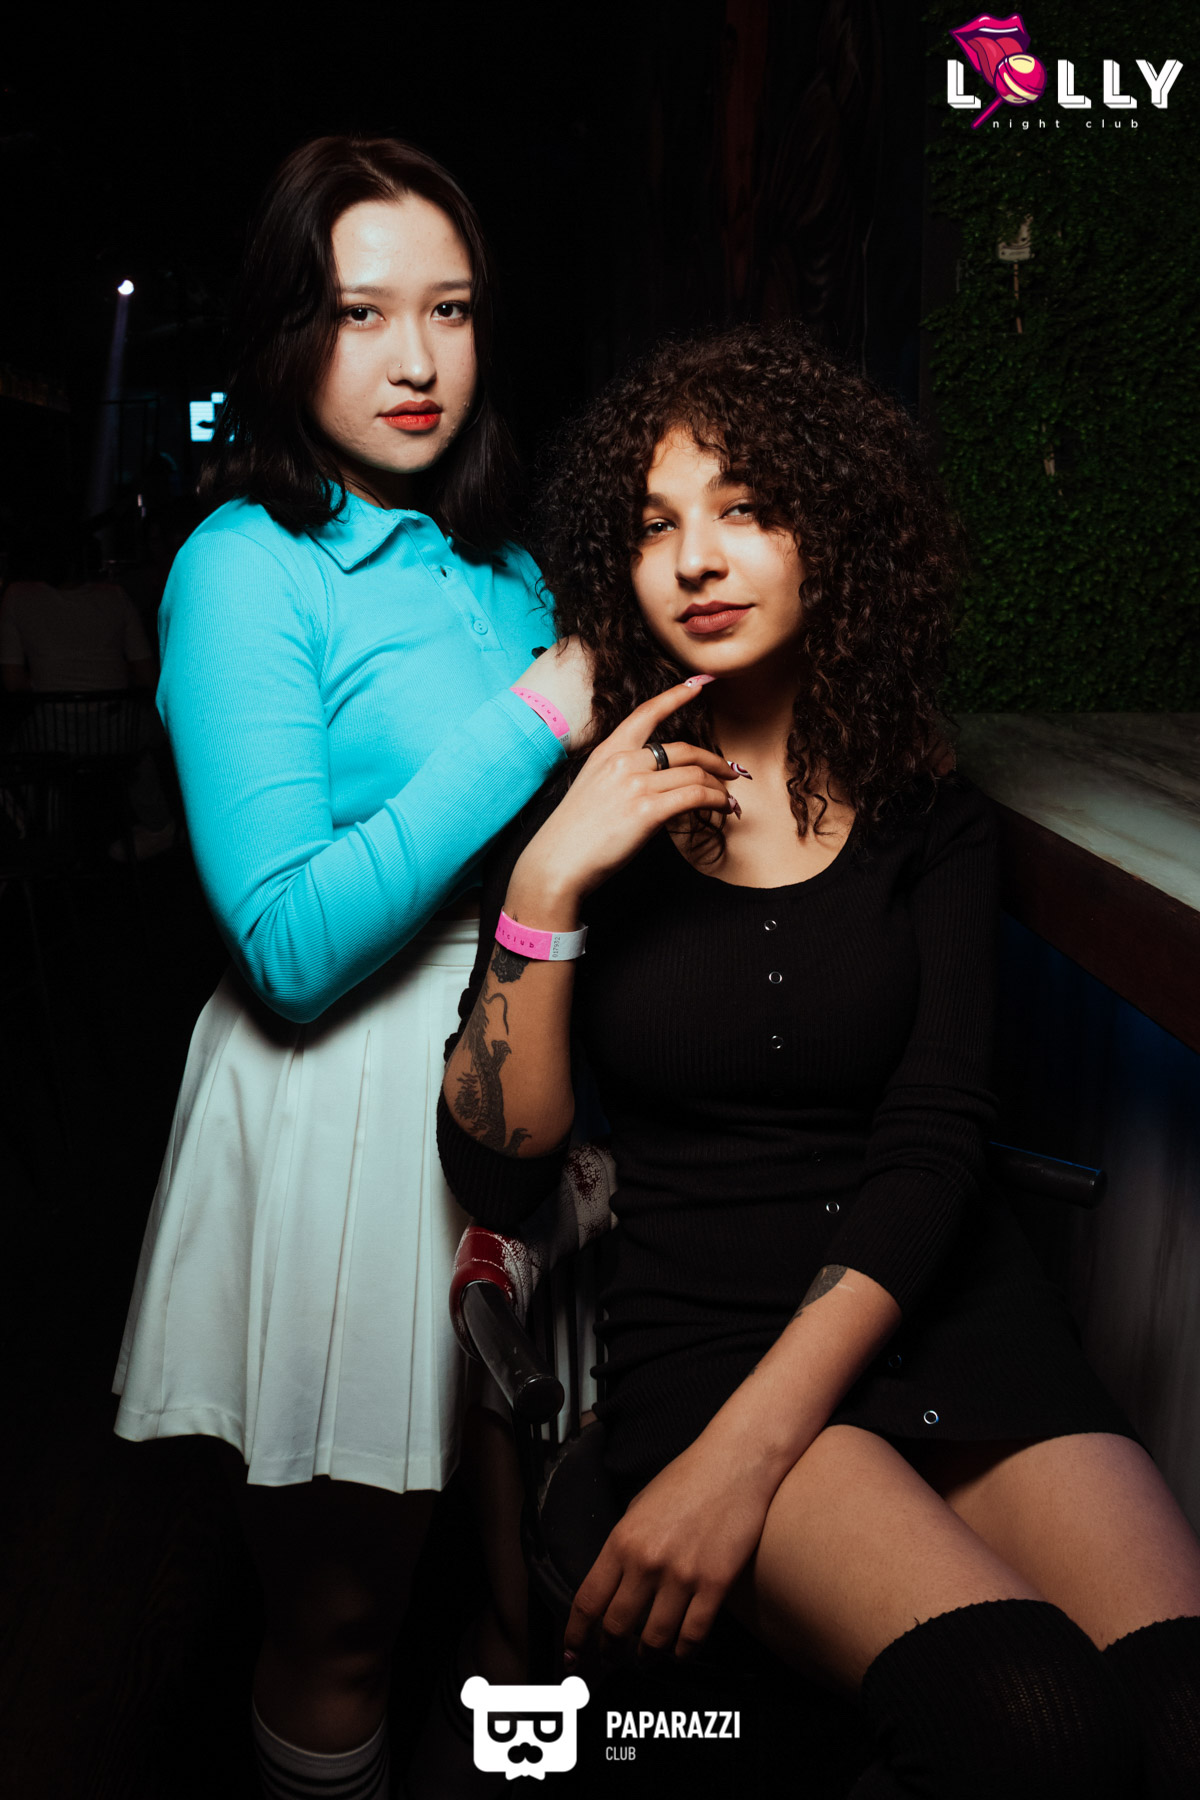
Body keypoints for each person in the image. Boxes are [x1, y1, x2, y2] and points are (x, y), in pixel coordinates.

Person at [439, 323, 1200, 1798]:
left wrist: (746, 1460)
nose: (697, 560)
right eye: (656, 525)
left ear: (833, 536)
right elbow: (499, 1165)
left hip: (949, 1309)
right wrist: (546, 883)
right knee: (1026, 1720)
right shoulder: (584, 813)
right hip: (710, 1336)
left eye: (746, 509)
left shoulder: (931, 815)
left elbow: (935, 1144)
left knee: (1179, 1721)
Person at [111, 135, 591, 1800]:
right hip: (348, 1107)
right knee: (344, 1624)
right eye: (359, 310)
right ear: (283, 333)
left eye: (449, 310)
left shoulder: (506, 563)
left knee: (531, 1598)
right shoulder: (245, 565)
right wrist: (536, 714)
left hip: (528, 1077)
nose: (414, 357)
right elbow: (289, 944)